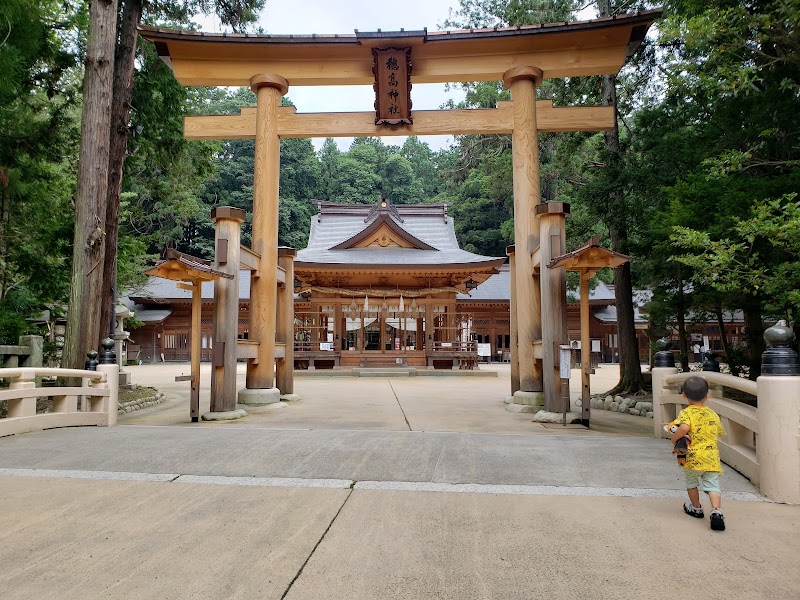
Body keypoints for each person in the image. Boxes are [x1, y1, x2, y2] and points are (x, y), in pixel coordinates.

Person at [671, 375, 727, 531]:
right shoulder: (712, 414)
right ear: (707, 395)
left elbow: (683, 428)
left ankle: (696, 508)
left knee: (692, 484)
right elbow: (719, 432)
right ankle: (716, 510)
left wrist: (675, 438)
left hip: (692, 458)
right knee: (713, 486)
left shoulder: (686, 413)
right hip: (710, 458)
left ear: (684, 395)